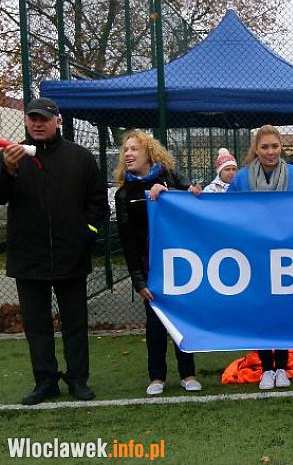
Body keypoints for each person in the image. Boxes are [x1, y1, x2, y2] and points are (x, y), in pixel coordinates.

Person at [0, 98, 108, 405]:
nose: (38, 123)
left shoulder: (80, 157)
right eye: (33, 118)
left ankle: (78, 380)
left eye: (44, 118)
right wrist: (8, 169)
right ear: (25, 121)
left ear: (57, 121)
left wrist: (85, 234)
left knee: (75, 324)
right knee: (37, 326)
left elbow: (98, 202)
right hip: (28, 257)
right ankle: (45, 382)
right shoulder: (11, 156)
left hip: (70, 255)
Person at [114, 130, 204, 396]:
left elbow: (193, 200)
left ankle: (188, 373)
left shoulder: (170, 176)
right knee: (154, 322)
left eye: (134, 149)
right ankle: (157, 377)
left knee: (181, 319)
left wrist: (170, 192)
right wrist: (138, 280)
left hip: (180, 263)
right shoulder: (124, 193)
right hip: (150, 266)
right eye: (126, 150)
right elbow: (128, 241)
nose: (128, 154)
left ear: (149, 153)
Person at [229, 125, 293, 390]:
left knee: (283, 309)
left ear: (281, 147)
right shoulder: (242, 177)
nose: (270, 152)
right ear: (256, 149)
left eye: (275, 146)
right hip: (254, 252)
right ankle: (266, 368)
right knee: (260, 309)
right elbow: (225, 209)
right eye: (265, 147)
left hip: (286, 253)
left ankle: (282, 367)